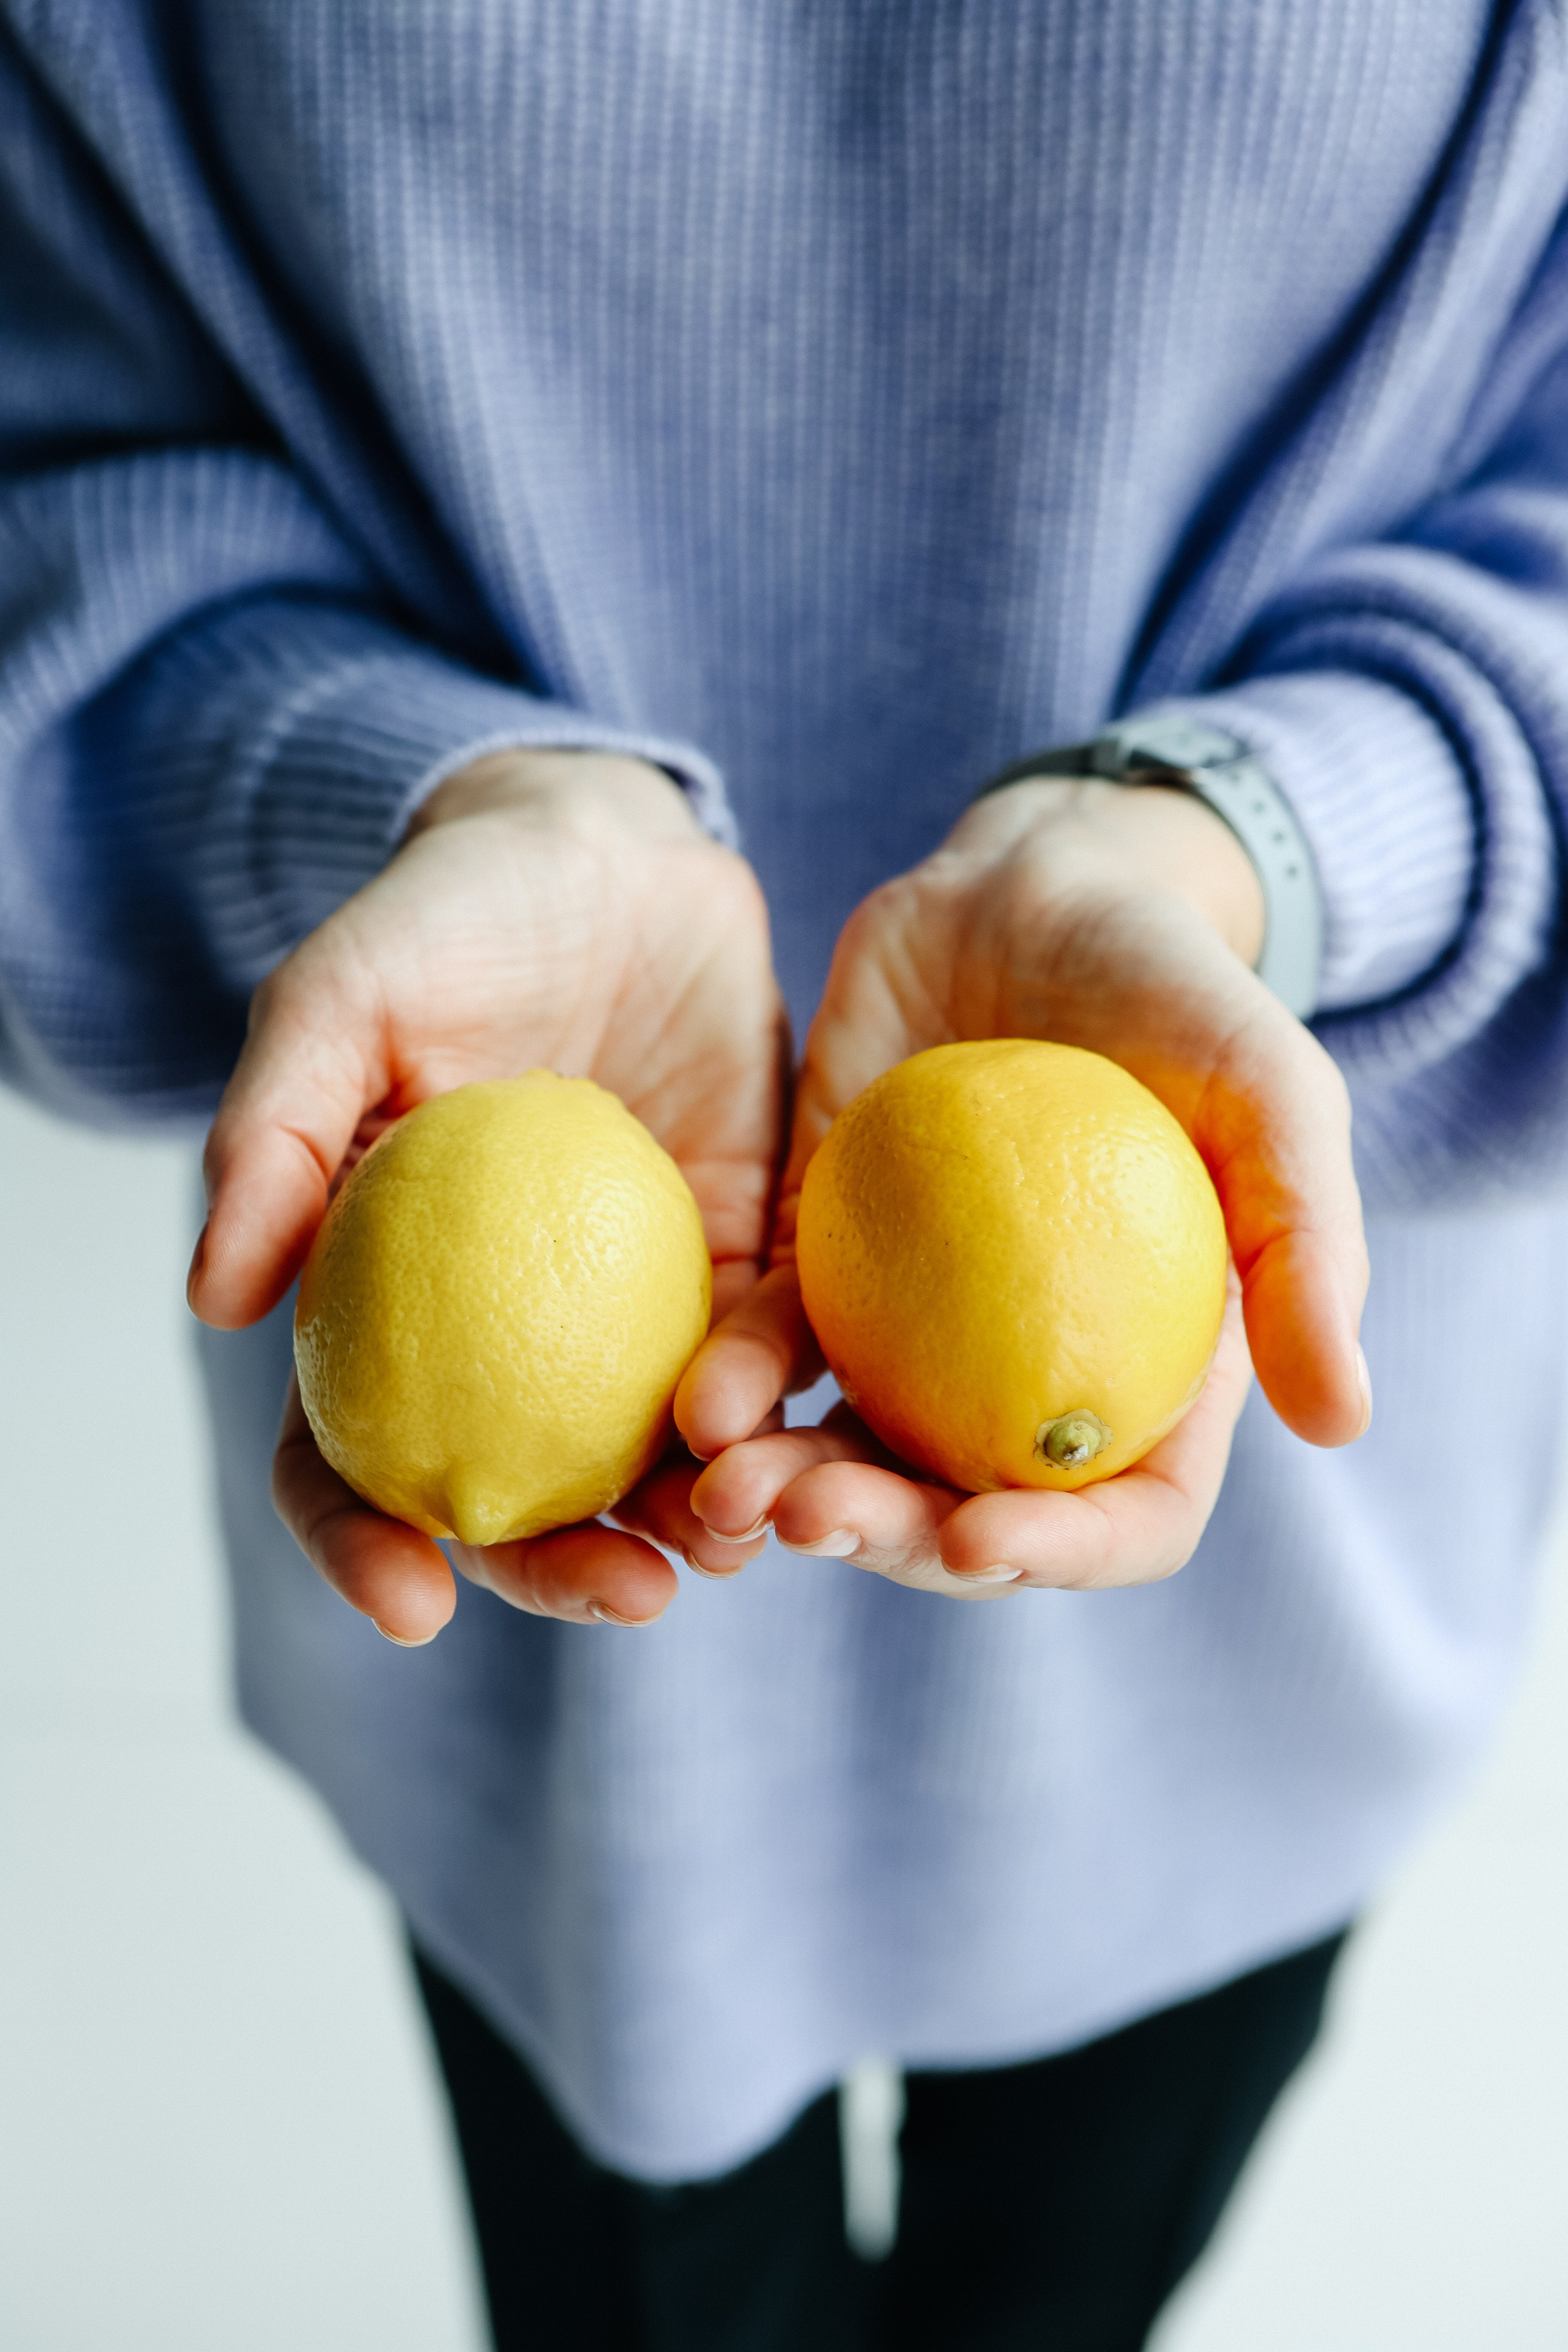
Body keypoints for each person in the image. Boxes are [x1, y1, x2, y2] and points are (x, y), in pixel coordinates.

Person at [4, 4, 1566, 2344]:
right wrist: (433, 798)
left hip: (1252, 1609)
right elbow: (53, 459)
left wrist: (1255, 849)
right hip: (542, 1660)